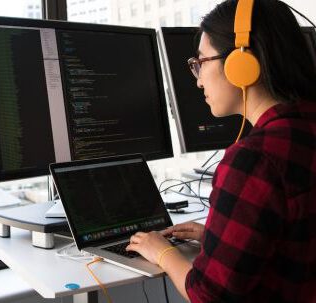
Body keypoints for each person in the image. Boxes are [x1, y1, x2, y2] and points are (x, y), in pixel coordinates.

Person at [126, 0, 316, 302]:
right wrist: (218, 240)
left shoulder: (254, 160)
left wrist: (162, 252)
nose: (199, 80)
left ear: (243, 64)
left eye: (201, 62)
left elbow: (208, 295)